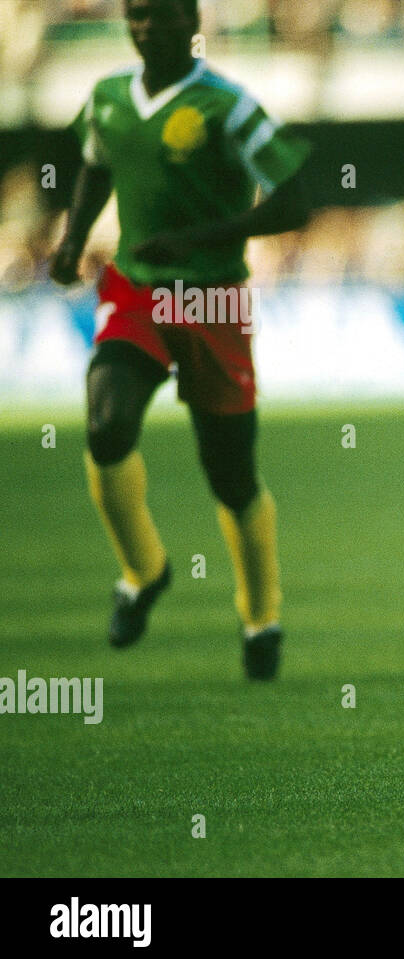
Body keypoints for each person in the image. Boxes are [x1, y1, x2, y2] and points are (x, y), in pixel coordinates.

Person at [50, 0, 311, 679]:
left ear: (190, 20)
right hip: (136, 292)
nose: (146, 27)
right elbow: (97, 164)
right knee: (106, 426)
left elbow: (292, 202)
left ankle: (261, 615)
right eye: (136, 13)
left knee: (230, 475)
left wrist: (195, 240)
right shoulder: (107, 98)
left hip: (213, 299)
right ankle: (144, 570)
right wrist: (74, 239)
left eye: (162, 15)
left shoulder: (229, 106)